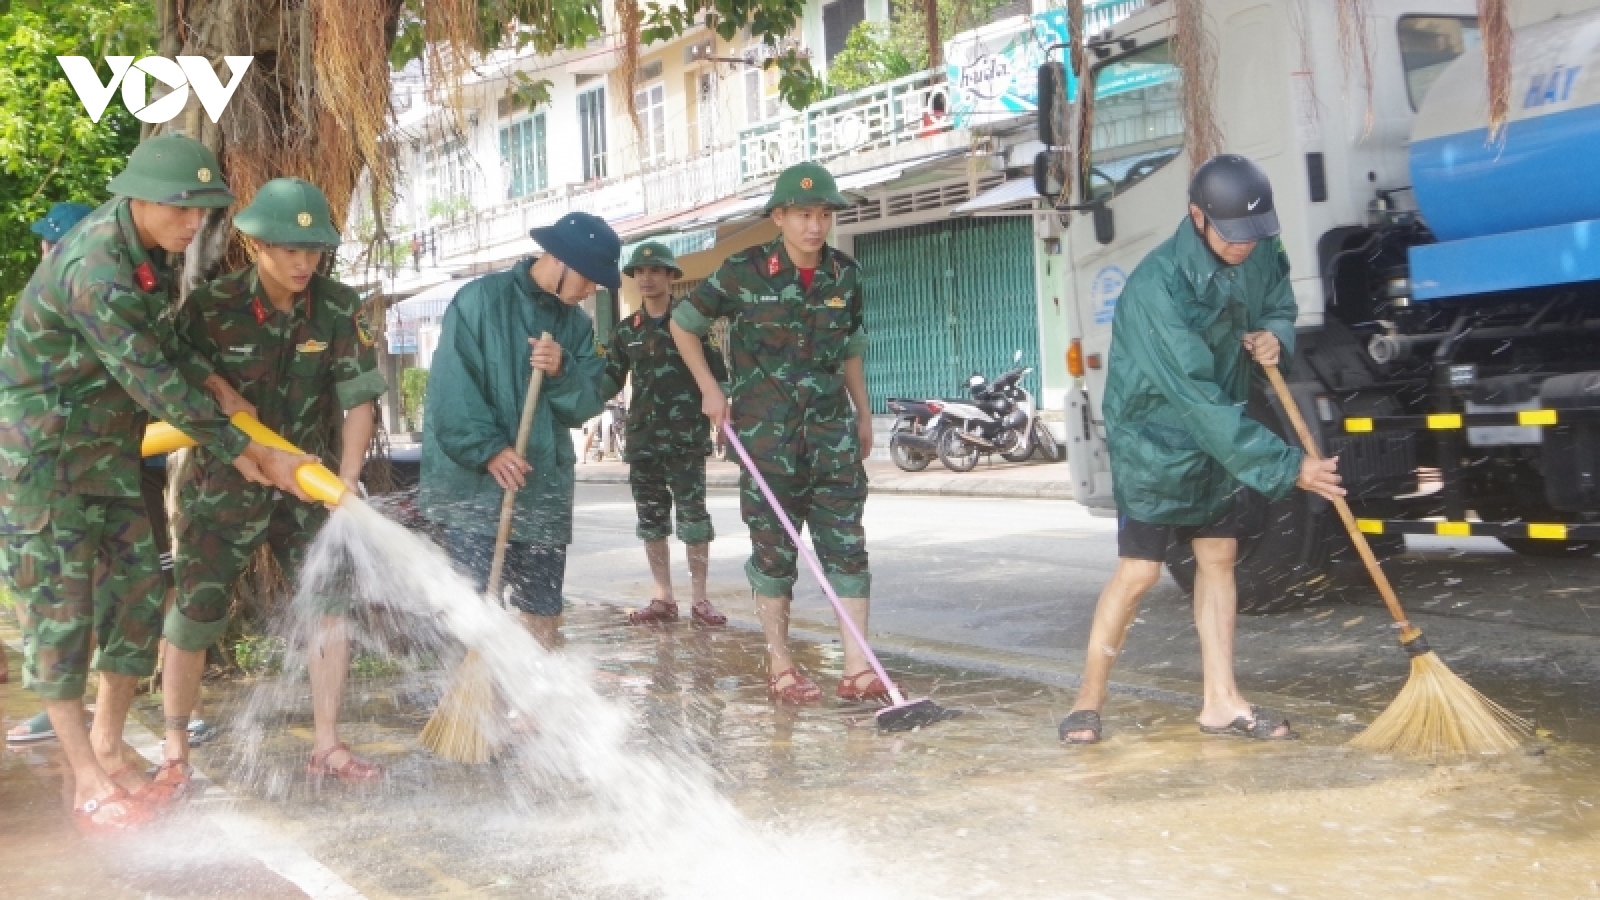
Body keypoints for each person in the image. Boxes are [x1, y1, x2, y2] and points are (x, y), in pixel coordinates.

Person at [0, 134, 315, 832]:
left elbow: (168, 344)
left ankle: (111, 748)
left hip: (106, 455)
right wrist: (242, 448)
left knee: (139, 594)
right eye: (181, 210)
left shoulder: (147, 257)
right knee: (61, 614)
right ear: (137, 196)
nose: (192, 225)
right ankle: (84, 775)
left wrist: (218, 384)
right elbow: (150, 377)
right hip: (42, 462)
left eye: (202, 213)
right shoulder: (97, 269)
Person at [1057, 155, 1344, 745]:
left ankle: (1221, 701)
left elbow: (1278, 304)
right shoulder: (1156, 288)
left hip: (1221, 433)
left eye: (1254, 235)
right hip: (1156, 438)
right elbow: (1195, 397)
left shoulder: (1259, 245)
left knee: (1217, 559)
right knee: (1138, 574)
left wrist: (1274, 335)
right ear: (1197, 217)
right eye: (1232, 235)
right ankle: (1087, 701)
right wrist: (1290, 466)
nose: (1245, 247)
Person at [149, 178, 390, 800]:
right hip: (229, 475)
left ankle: (327, 743)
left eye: (312, 250)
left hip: (306, 478)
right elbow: (179, 378)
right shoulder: (212, 305)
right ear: (256, 244)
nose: (303, 262)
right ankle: (175, 751)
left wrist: (345, 479)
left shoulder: (338, 307)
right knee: (197, 609)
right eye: (288, 249)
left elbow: (359, 398)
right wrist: (225, 403)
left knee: (329, 606)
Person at [669, 162, 881, 705]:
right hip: (767, 441)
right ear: (779, 217)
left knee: (847, 548)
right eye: (804, 214)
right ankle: (781, 665)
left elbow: (852, 348)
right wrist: (710, 390)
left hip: (832, 434)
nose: (816, 225)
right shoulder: (742, 272)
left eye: (825, 214)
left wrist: (862, 413)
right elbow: (684, 324)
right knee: (774, 554)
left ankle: (857, 668)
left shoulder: (845, 273)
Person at [419, 212, 614, 651]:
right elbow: (451, 390)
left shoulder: (577, 327)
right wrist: (490, 451)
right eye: (590, 278)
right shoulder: (478, 302)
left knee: (541, 606)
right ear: (562, 261)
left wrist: (563, 371)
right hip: (472, 490)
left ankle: (533, 708)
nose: (593, 290)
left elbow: (587, 403)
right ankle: (474, 708)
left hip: (541, 484)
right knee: (471, 606)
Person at [600, 241, 728, 627]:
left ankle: (700, 599)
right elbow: (608, 380)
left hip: (686, 437)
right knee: (651, 520)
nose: (647, 278)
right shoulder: (626, 331)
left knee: (693, 519)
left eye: (655, 271)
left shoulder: (690, 324)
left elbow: (718, 375)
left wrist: (724, 415)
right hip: (643, 440)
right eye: (640, 272)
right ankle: (663, 597)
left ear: (671, 276)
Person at [5, 202, 95, 741]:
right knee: (41, 595)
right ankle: (58, 708)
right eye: (46, 244)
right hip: (32, 477)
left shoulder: (93, 299)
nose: (49, 254)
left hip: (105, 471)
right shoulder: (39, 309)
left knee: (118, 592)